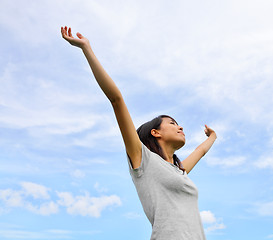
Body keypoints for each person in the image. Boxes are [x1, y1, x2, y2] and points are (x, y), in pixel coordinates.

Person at [61, 26, 217, 240]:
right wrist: (86, 48)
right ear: (155, 132)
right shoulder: (143, 159)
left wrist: (213, 137)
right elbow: (116, 100)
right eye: (172, 123)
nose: (180, 127)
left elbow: (200, 151)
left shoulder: (178, 171)